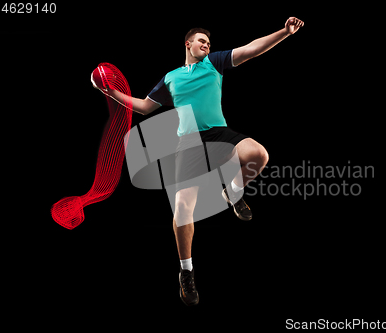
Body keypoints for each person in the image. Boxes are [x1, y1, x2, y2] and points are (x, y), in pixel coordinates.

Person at [92, 17, 304, 306]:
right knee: (182, 209)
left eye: (208, 42)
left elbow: (251, 49)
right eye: (201, 41)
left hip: (219, 132)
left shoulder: (214, 63)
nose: (207, 44)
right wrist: (111, 93)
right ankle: (186, 272)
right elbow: (143, 107)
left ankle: (231, 191)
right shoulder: (170, 78)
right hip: (188, 142)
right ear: (188, 44)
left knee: (259, 154)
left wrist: (285, 32)